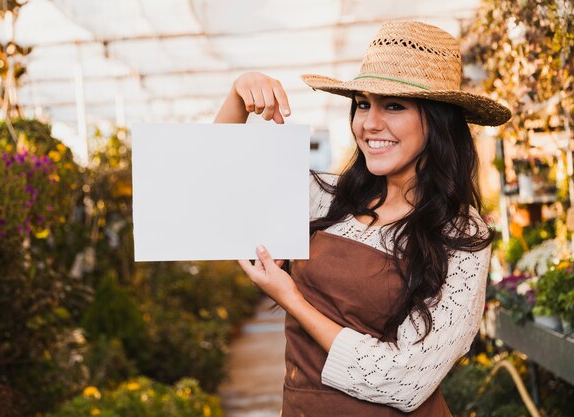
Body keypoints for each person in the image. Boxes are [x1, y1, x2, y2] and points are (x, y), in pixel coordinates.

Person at [214, 20, 511, 416]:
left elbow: (406, 381)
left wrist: (292, 300)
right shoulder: (328, 199)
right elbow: (215, 187)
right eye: (362, 104)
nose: (369, 123)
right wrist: (238, 97)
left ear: (437, 119)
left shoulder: (458, 231)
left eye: (393, 105)